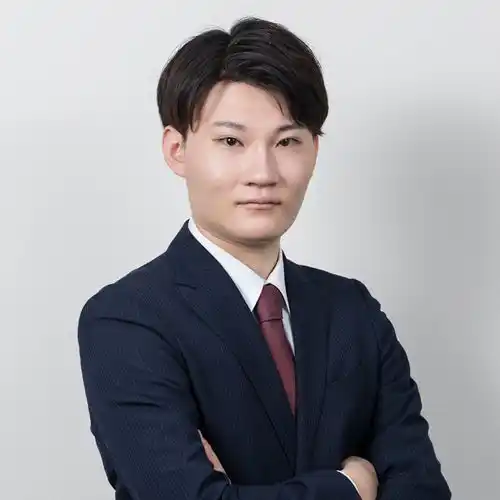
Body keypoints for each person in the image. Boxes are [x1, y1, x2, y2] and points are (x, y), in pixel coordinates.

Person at [78, 17, 451, 500]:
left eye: (287, 141)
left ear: (314, 151)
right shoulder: (127, 320)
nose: (263, 172)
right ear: (177, 150)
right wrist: (350, 487)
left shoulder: (354, 311)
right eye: (231, 141)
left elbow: (423, 489)